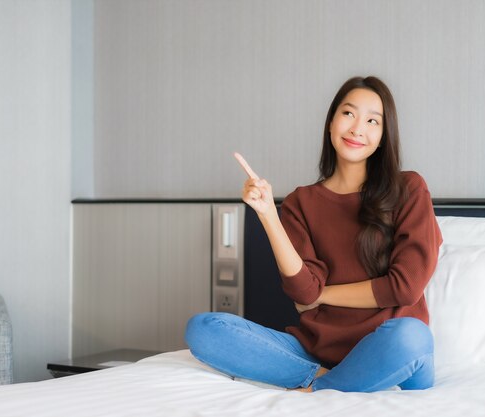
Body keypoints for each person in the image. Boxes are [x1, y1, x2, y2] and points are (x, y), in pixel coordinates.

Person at [185, 76, 443, 392]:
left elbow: (405, 288)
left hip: (390, 351)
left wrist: (325, 295)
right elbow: (304, 293)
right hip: (318, 350)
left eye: (372, 121)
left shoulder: (409, 189)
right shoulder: (301, 202)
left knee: (412, 336)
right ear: (331, 122)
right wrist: (268, 214)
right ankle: (322, 379)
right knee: (205, 328)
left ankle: (320, 390)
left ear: (382, 136)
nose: (357, 128)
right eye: (348, 114)